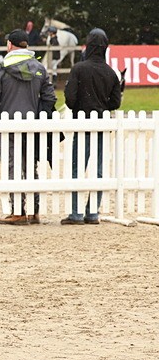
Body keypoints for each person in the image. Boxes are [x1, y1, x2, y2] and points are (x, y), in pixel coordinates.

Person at [0, 28, 57, 225]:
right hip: (32, 125)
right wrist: (36, 115)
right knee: (30, 166)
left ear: (10, 45)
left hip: (8, 125)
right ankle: (34, 211)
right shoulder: (40, 69)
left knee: (12, 166)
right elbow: (50, 98)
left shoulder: (1, 69)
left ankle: (17, 210)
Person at [61, 28, 122, 225]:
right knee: (98, 169)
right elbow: (115, 103)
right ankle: (93, 211)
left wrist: (80, 105)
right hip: (102, 126)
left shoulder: (79, 69)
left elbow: (70, 99)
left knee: (77, 167)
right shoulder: (111, 73)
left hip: (82, 122)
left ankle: (76, 212)